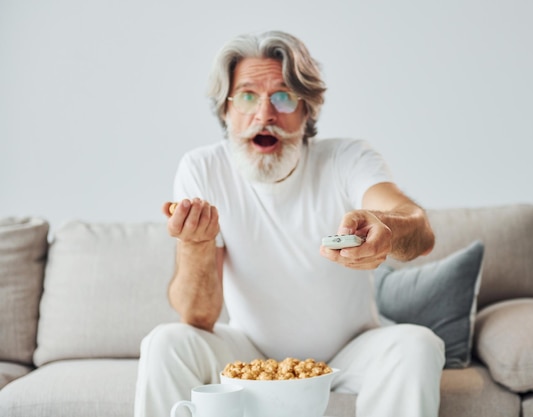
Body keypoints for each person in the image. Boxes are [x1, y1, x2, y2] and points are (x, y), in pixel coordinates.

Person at [134, 30, 445, 417]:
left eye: (283, 96)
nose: (265, 115)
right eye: (247, 96)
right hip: (249, 350)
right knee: (166, 341)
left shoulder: (346, 159)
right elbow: (199, 317)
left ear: (306, 111)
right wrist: (195, 244)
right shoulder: (202, 169)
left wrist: (387, 229)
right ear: (226, 110)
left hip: (352, 351)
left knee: (418, 344)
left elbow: (420, 230)